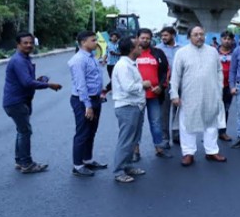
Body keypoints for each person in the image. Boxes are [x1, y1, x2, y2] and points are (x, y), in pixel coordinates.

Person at [3, 32, 62, 174]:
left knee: (21, 131)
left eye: (30, 43)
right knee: (25, 131)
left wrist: (40, 80)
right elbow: (27, 82)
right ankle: (27, 164)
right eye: (25, 43)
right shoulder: (18, 60)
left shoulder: (24, 59)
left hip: (20, 101)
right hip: (16, 102)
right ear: (18, 44)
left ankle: (20, 160)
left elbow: (27, 80)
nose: (29, 45)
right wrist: (49, 85)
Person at [170, 26, 227, 167]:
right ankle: (188, 153)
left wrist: (219, 87)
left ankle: (212, 151)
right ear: (189, 37)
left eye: (201, 34)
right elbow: (175, 75)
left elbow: (219, 70)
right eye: (195, 34)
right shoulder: (181, 53)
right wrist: (174, 94)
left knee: (211, 123)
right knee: (187, 124)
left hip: (211, 93)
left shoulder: (213, 51)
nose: (199, 37)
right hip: (190, 94)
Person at [111, 37, 151, 183]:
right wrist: (143, 84)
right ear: (131, 49)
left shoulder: (131, 64)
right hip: (128, 106)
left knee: (133, 139)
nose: (141, 47)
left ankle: (127, 165)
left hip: (136, 106)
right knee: (126, 140)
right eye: (138, 46)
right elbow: (128, 87)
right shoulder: (123, 66)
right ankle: (119, 171)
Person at [68, 31, 106, 177]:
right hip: (83, 100)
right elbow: (80, 85)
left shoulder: (92, 57)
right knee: (82, 133)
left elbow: (95, 77)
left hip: (95, 98)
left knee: (91, 132)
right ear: (83, 42)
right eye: (93, 40)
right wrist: (87, 105)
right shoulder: (78, 60)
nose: (96, 42)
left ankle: (87, 159)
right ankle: (77, 166)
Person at [133, 28, 172, 160]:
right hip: (137, 96)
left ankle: (159, 148)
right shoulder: (132, 53)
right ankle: (135, 150)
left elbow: (166, 71)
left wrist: (161, 86)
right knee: (137, 124)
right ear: (137, 38)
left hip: (154, 96)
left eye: (148, 38)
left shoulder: (158, 53)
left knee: (156, 122)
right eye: (142, 38)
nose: (145, 40)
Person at [157, 26, 181, 148]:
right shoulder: (158, 49)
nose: (163, 38)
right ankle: (165, 139)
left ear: (173, 35)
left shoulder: (182, 49)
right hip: (165, 84)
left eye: (166, 35)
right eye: (162, 36)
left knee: (178, 112)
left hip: (179, 84)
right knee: (163, 112)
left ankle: (177, 136)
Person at [217, 30, 235, 142]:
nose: (227, 41)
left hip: (228, 86)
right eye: (225, 38)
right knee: (212, 110)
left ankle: (222, 132)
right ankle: (211, 134)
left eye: (229, 39)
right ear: (221, 39)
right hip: (214, 86)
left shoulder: (235, 53)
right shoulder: (213, 52)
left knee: (225, 109)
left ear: (232, 41)